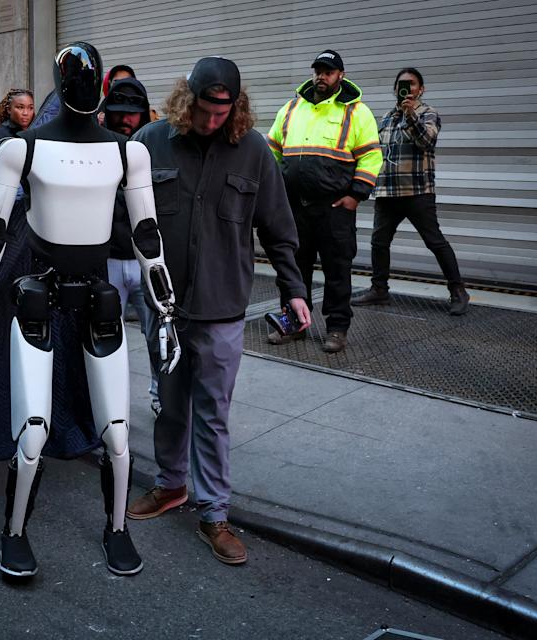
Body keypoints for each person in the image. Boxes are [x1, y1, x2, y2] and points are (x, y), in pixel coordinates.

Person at [0, 42, 182, 578]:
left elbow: (148, 236)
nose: (83, 86)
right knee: (32, 431)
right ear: (65, 84)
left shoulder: (129, 153)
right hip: (38, 292)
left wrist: (166, 313)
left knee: (118, 437)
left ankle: (118, 529)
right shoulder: (21, 150)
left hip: (97, 294)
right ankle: (13, 534)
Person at [127, 57, 311, 565]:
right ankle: (170, 485)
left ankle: (214, 513)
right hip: (164, 306)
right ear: (187, 102)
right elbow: (121, 219)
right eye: (205, 111)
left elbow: (278, 226)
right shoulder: (149, 143)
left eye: (222, 113)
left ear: (236, 107)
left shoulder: (252, 150)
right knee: (169, 403)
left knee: (213, 415)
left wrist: (294, 289)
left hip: (223, 308)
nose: (212, 122)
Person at [266, 50, 383, 353]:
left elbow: (371, 155)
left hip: (335, 208)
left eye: (328, 72)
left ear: (340, 75)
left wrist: (356, 195)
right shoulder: (292, 108)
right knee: (293, 267)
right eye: (318, 71)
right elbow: (272, 151)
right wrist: (273, 192)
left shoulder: (356, 112)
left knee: (337, 271)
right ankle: (294, 323)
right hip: (295, 206)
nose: (321, 76)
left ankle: (337, 328)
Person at [353, 67, 469, 315]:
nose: (407, 88)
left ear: (421, 89)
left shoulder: (428, 113)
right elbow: (376, 152)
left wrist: (410, 115)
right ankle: (379, 290)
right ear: (395, 89)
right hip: (388, 193)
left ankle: (458, 291)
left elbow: (426, 141)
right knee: (379, 243)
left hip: (418, 191)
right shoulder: (386, 118)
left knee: (435, 242)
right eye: (402, 84)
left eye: (412, 84)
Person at [101, 77, 161, 415]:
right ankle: (112, 408)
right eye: (119, 113)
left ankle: (160, 395)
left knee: (158, 338)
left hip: (145, 259)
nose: (126, 120)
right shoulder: (99, 146)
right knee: (107, 340)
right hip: (109, 258)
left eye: (133, 114)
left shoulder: (153, 146)